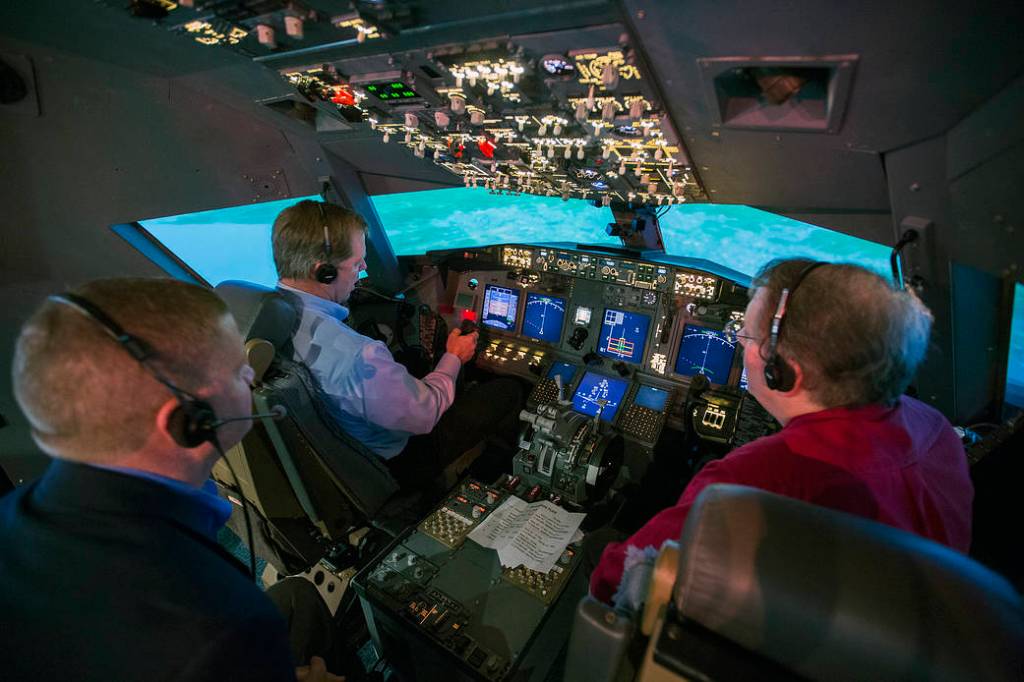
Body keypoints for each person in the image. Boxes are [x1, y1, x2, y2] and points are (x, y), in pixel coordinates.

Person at [0, 278, 342, 681]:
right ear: (189, 422)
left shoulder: (14, 510)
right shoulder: (221, 627)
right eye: (238, 371)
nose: (252, 373)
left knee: (299, 597)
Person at [590, 259, 974, 607]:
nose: (739, 339)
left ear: (785, 372)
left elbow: (614, 583)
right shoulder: (935, 430)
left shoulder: (750, 481)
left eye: (749, 335)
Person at [272, 200, 520, 486]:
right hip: (397, 460)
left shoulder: (268, 316)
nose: (364, 268)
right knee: (509, 391)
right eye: (356, 263)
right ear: (323, 272)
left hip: (330, 450)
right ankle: (486, 478)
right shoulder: (355, 356)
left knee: (417, 363)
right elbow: (425, 415)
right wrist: (454, 357)